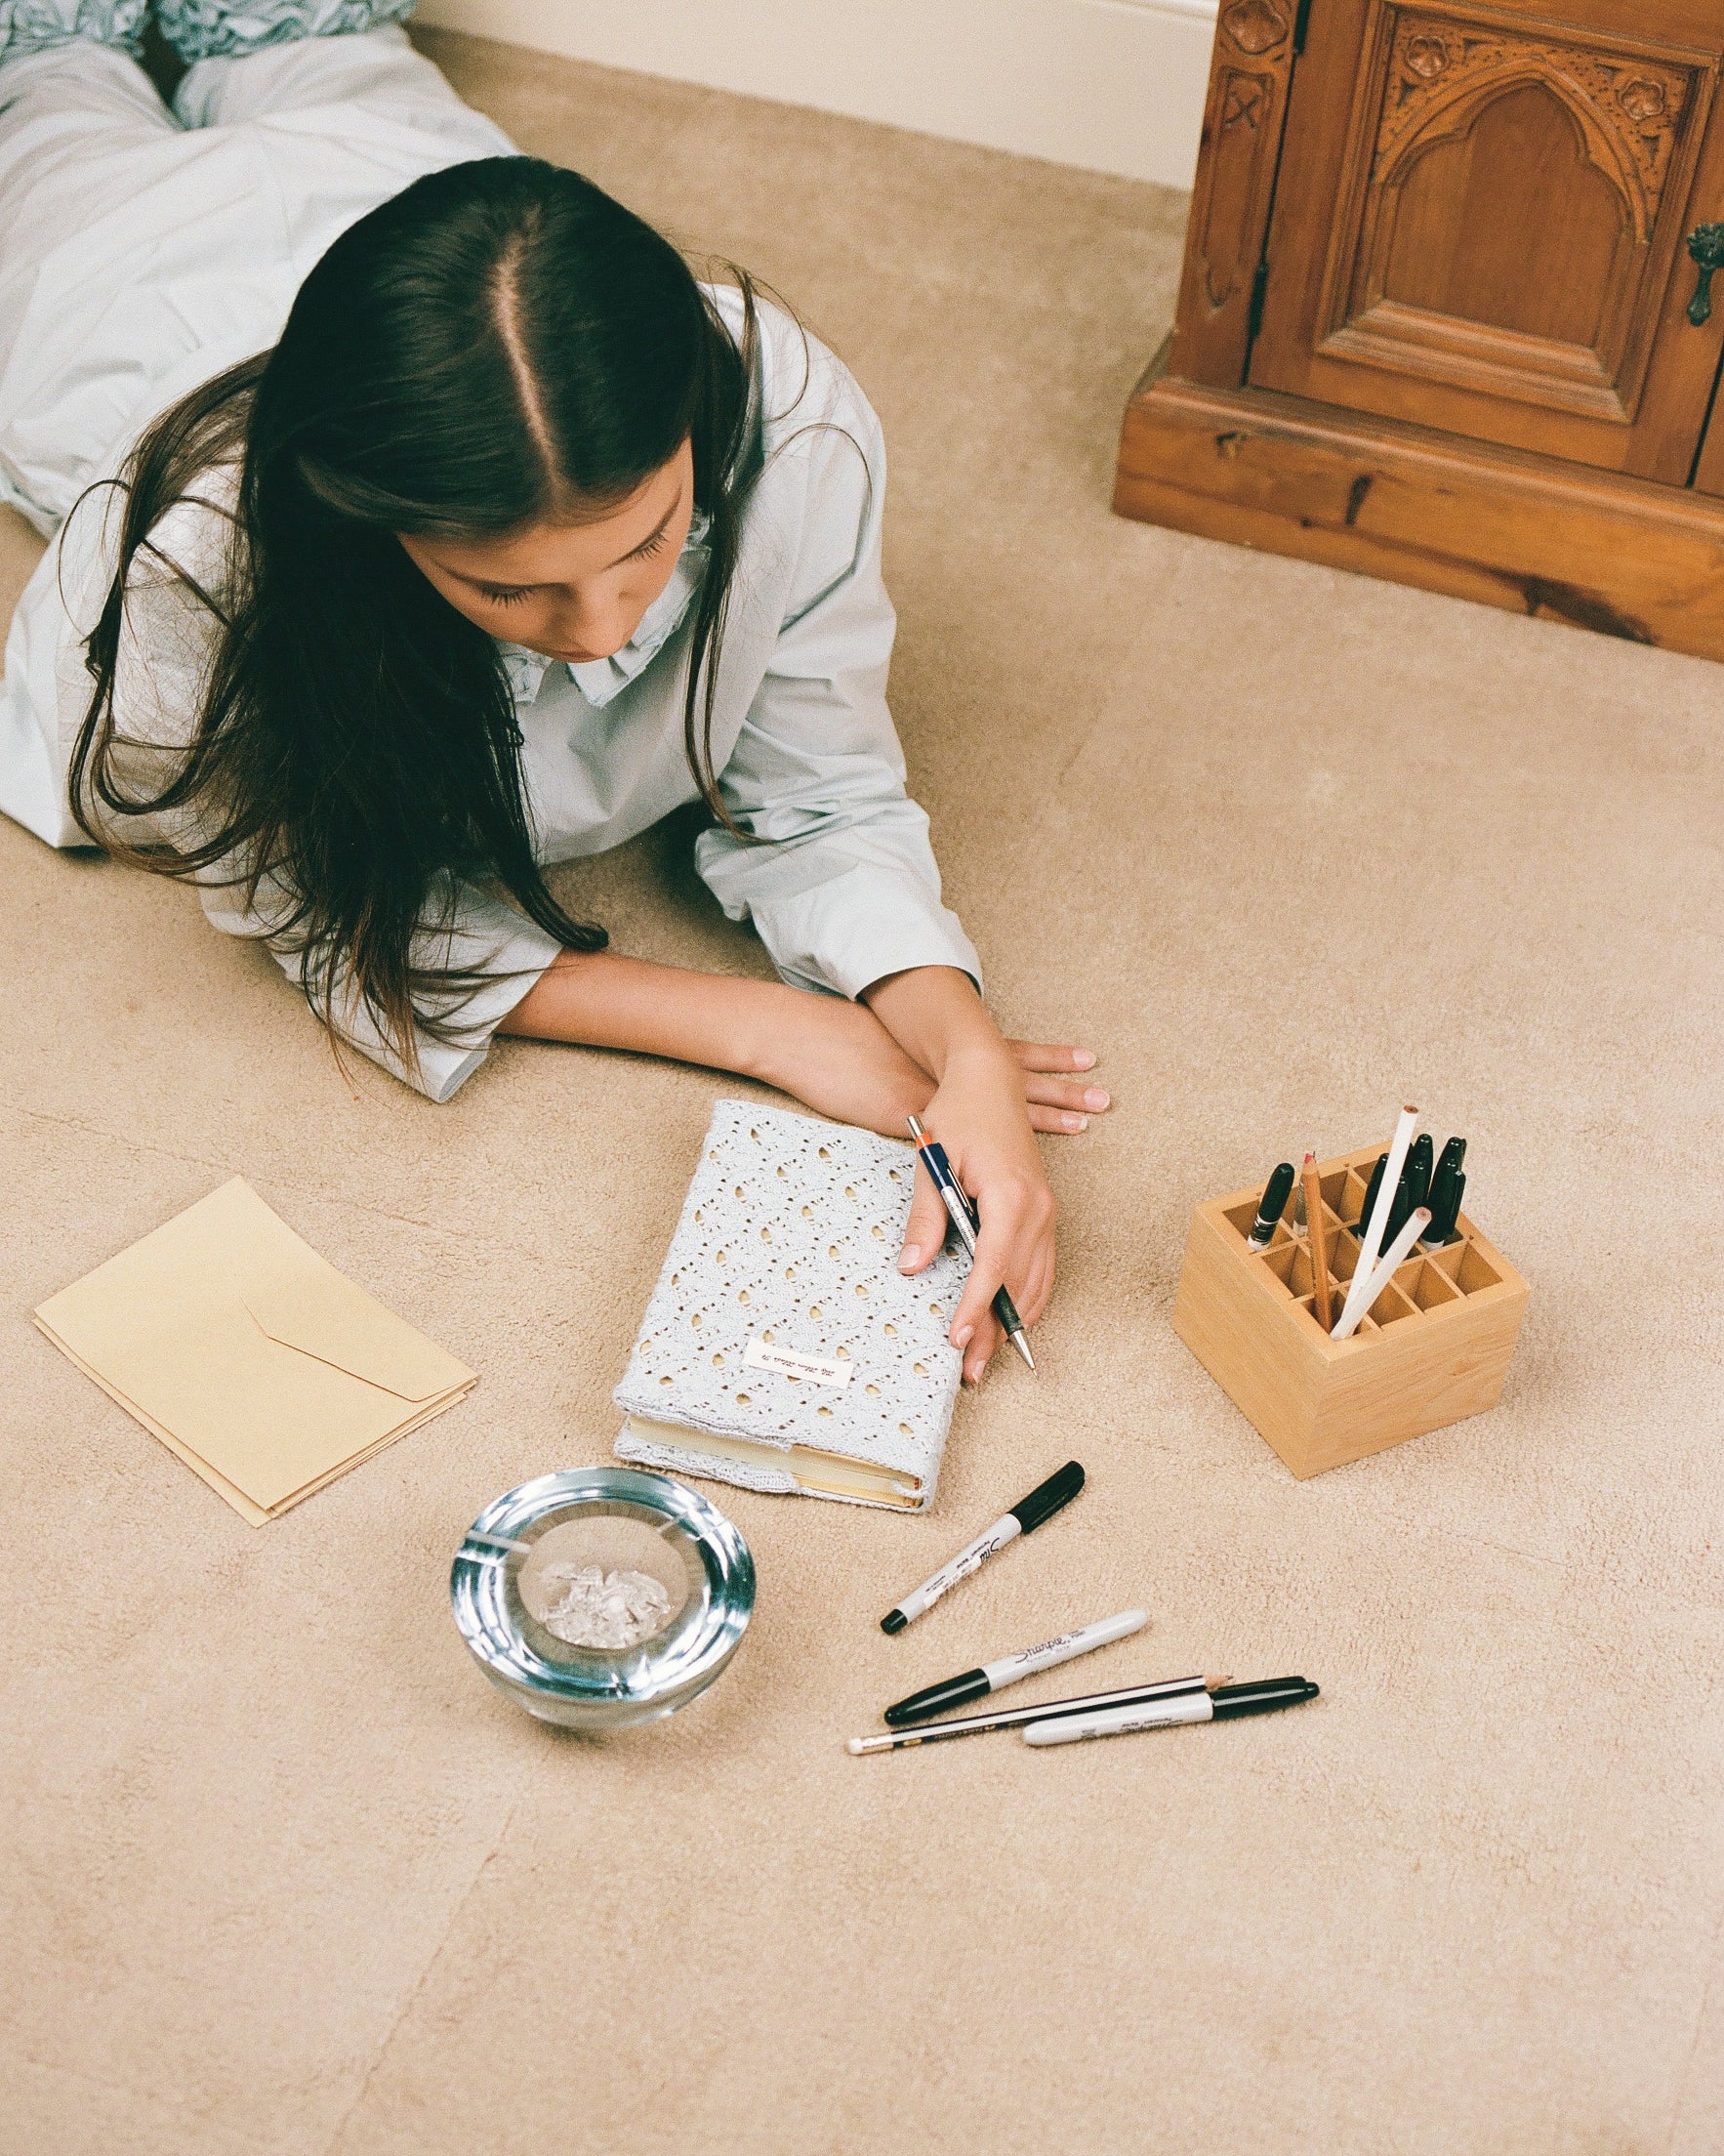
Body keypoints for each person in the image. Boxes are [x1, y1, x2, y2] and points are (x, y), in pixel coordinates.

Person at [0, 1, 1111, 1381]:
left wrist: (962, 1037)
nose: (602, 631)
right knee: (52, 85)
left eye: (649, 543)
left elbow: (822, 789)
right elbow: (320, 907)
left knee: (320, 59)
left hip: (409, 217)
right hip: (134, 294)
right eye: (507, 591)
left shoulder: (782, 416)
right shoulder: (199, 570)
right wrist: (768, 1026)